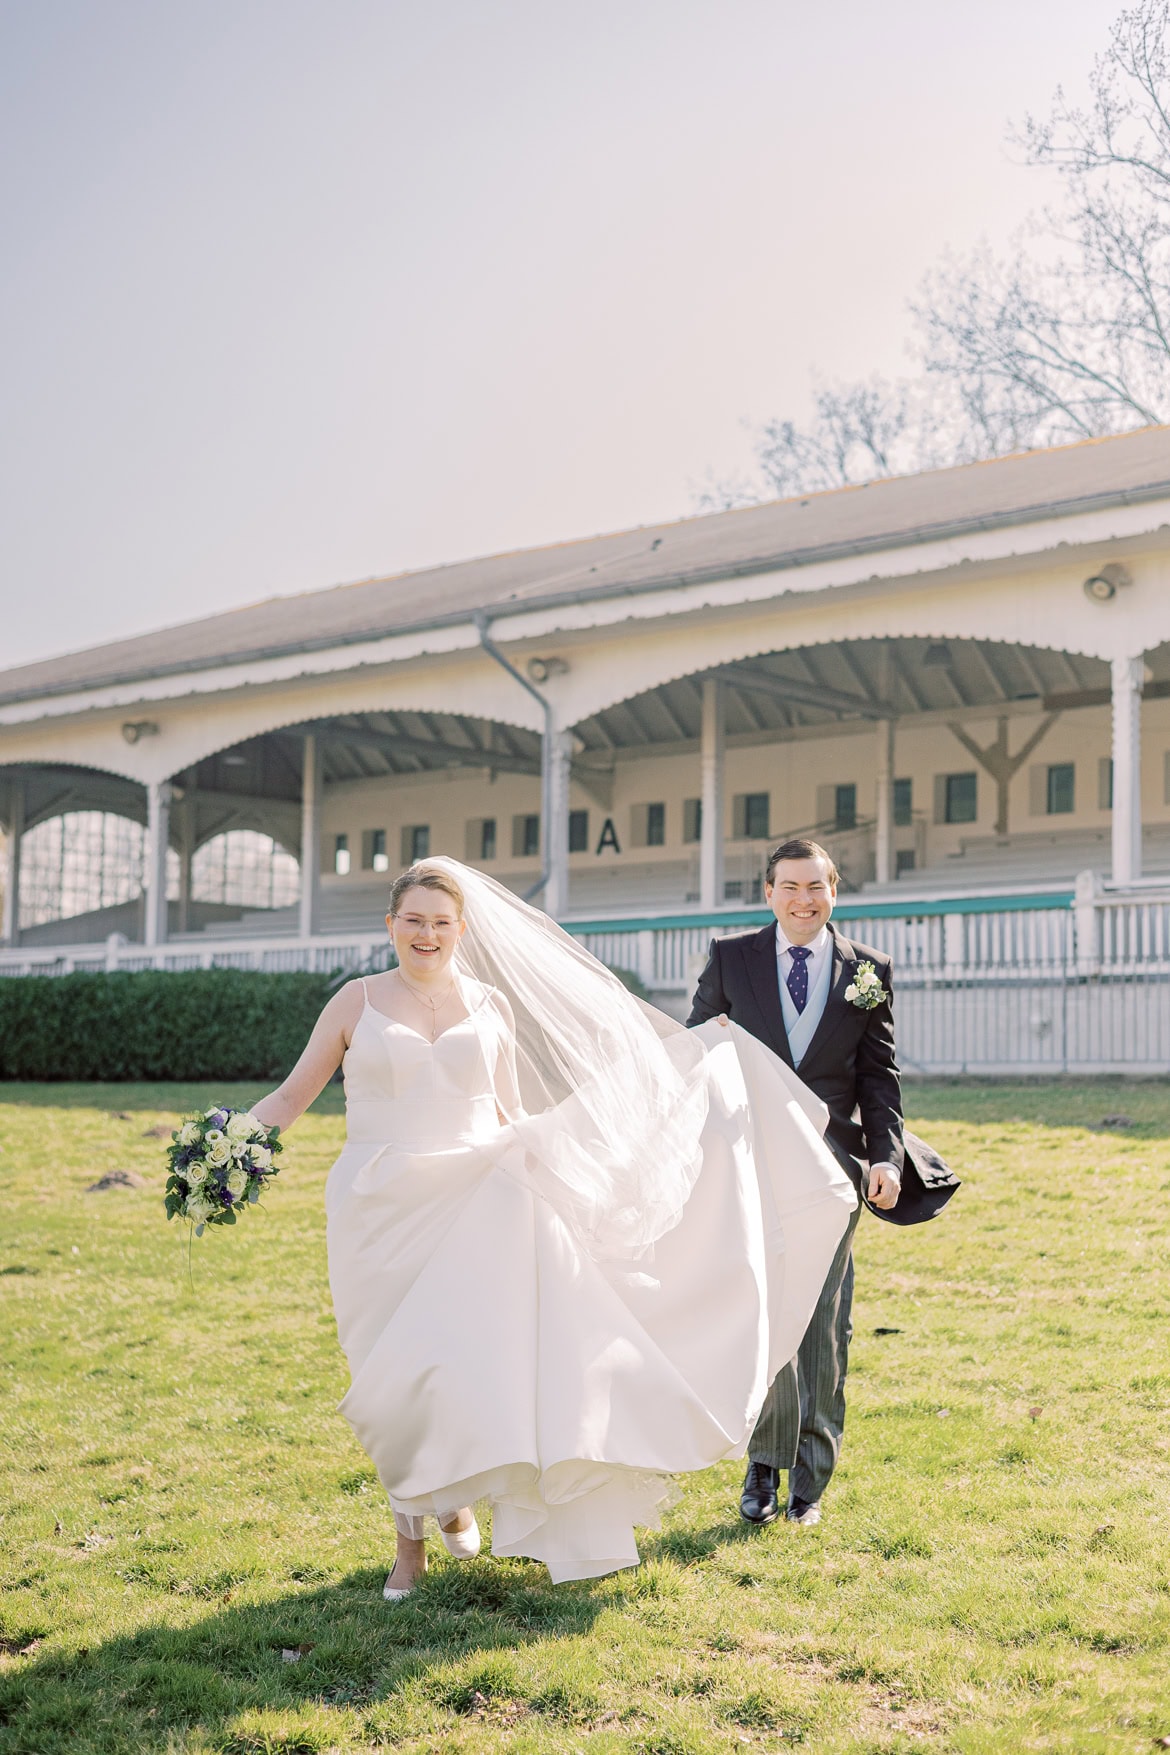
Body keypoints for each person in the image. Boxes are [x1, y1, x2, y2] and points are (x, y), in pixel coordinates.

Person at [250, 856, 857, 1594]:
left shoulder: (489, 1006)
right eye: (413, 919)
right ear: (391, 924)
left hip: (477, 1197)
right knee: (392, 1377)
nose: (427, 934)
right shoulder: (356, 1002)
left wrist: (573, 1162)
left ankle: (414, 1541)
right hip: (378, 1206)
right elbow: (290, 1096)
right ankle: (434, 1513)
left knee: (460, 1361)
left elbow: (509, 1113)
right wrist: (228, 1144)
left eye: (442, 922)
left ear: (462, 930)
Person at [687, 837, 906, 1530]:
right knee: (764, 1313)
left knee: (824, 1325)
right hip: (751, 1166)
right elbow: (697, 1055)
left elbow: (879, 1078)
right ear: (769, 892)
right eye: (790, 886)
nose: (803, 899)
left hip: (835, 1173)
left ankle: (810, 1482)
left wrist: (887, 1158)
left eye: (816, 886)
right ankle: (763, 1462)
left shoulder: (869, 970)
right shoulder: (731, 959)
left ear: (833, 890)